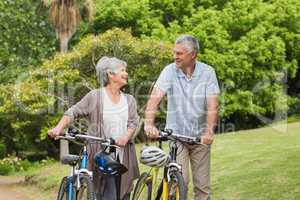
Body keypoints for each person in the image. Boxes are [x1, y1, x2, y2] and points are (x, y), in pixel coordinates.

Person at [48, 56, 140, 200]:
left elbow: (133, 122)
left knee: (124, 195)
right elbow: (73, 111)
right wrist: (58, 128)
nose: (126, 73)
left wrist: (125, 137)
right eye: (122, 70)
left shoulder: (129, 100)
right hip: (101, 154)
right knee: (107, 195)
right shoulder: (95, 96)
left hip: (123, 154)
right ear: (110, 74)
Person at [144, 35, 220, 200]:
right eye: (174, 52)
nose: (175, 56)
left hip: (200, 138)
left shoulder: (207, 73)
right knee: (180, 181)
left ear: (193, 55)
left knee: (202, 187)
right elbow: (155, 98)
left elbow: (213, 105)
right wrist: (149, 124)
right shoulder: (170, 71)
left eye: (179, 53)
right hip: (177, 136)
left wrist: (209, 132)